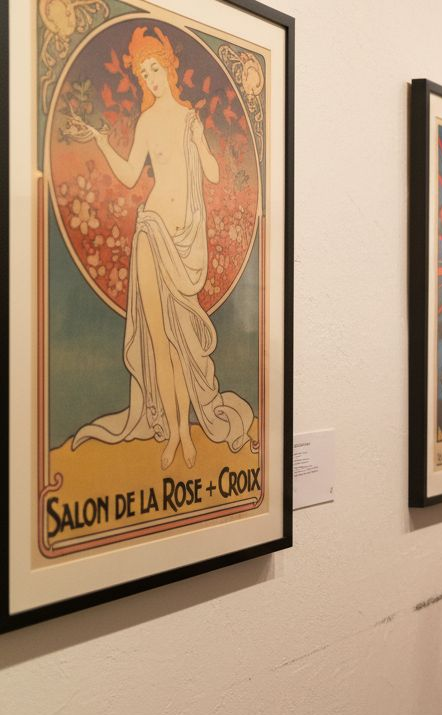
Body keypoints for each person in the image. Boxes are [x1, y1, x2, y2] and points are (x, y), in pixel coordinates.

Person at [67, 26, 254, 470]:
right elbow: (131, 176)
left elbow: (212, 174)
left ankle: (186, 431)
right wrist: (100, 139)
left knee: (181, 340)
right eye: (143, 73)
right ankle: (175, 434)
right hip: (151, 229)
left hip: (184, 241)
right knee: (158, 338)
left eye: (155, 69)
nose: (150, 78)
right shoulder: (147, 122)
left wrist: (199, 140)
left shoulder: (188, 119)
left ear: (169, 69)